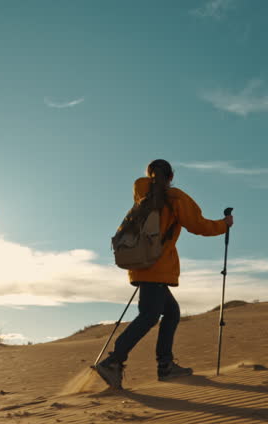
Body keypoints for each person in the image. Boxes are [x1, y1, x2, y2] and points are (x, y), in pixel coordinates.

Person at [95, 159, 233, 389]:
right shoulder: (174, 197)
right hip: (156, 267)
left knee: (170, 312)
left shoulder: (142, 196)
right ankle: (114, 361)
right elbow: (198, 225)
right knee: (150, 315)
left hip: (140, 265)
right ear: (170, 176)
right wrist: (224, 224)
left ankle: (165, 365)